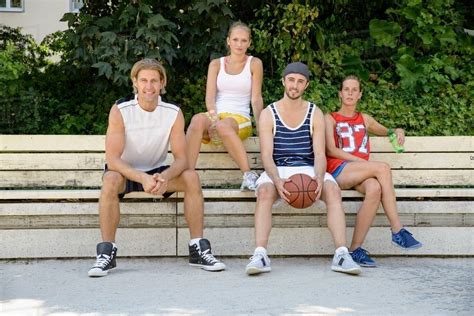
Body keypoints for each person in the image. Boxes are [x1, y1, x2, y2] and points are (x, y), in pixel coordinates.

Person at [88, 58, 225, 277]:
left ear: (162, 83)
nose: (149, 87)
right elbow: (113, 159)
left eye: (154, 81)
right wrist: (141, 177)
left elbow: (181, 160)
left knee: (191, 177)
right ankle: (106, 253)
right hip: (127, 172)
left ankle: (198, 249)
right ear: (135, 82)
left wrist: (165, 176)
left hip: (158, 173)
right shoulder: (120, 110)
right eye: (143, 80)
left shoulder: (173, 112)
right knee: (110, 179)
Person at [245, 62, 361, 276]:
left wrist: (318, 176)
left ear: (306, 85)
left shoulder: (314, 112)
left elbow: (319, 154)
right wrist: (277, 180)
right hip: (278, 168)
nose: (294, 85)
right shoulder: (268, 114)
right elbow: (267, 156)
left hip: (308, 168)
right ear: (283, 81)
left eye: (300, 82)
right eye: (291, 80)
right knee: (263, 192)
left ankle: (342, 254)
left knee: (333, 191)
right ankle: (260, 254)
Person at [325, 75, 422, 268]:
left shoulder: (365, 119)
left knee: (375, 188)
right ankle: (397, 230)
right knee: (383, 167)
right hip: (340, 169)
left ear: (360, 94)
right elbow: (331, 150)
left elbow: (389, 131)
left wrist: (399, 130)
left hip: (361, 171)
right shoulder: (330, 118)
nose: (350, 93)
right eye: (346, 89)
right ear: (340, 93)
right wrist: (362, 161)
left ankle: (355, 249)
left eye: (354, 90)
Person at [186, 21, 264, 191]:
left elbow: (256, 99)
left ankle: (248, 175)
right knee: (197, 119)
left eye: (244, 40)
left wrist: (262, 129)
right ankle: (188, 174)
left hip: (240, 118)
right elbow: (210, 98)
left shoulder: (254, 63)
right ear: (228, 41)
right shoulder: (216, 64)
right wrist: (213, 119)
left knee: (223, 125)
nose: (239, 44)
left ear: (249, 43)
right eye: (235, 39)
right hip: (217, 115)